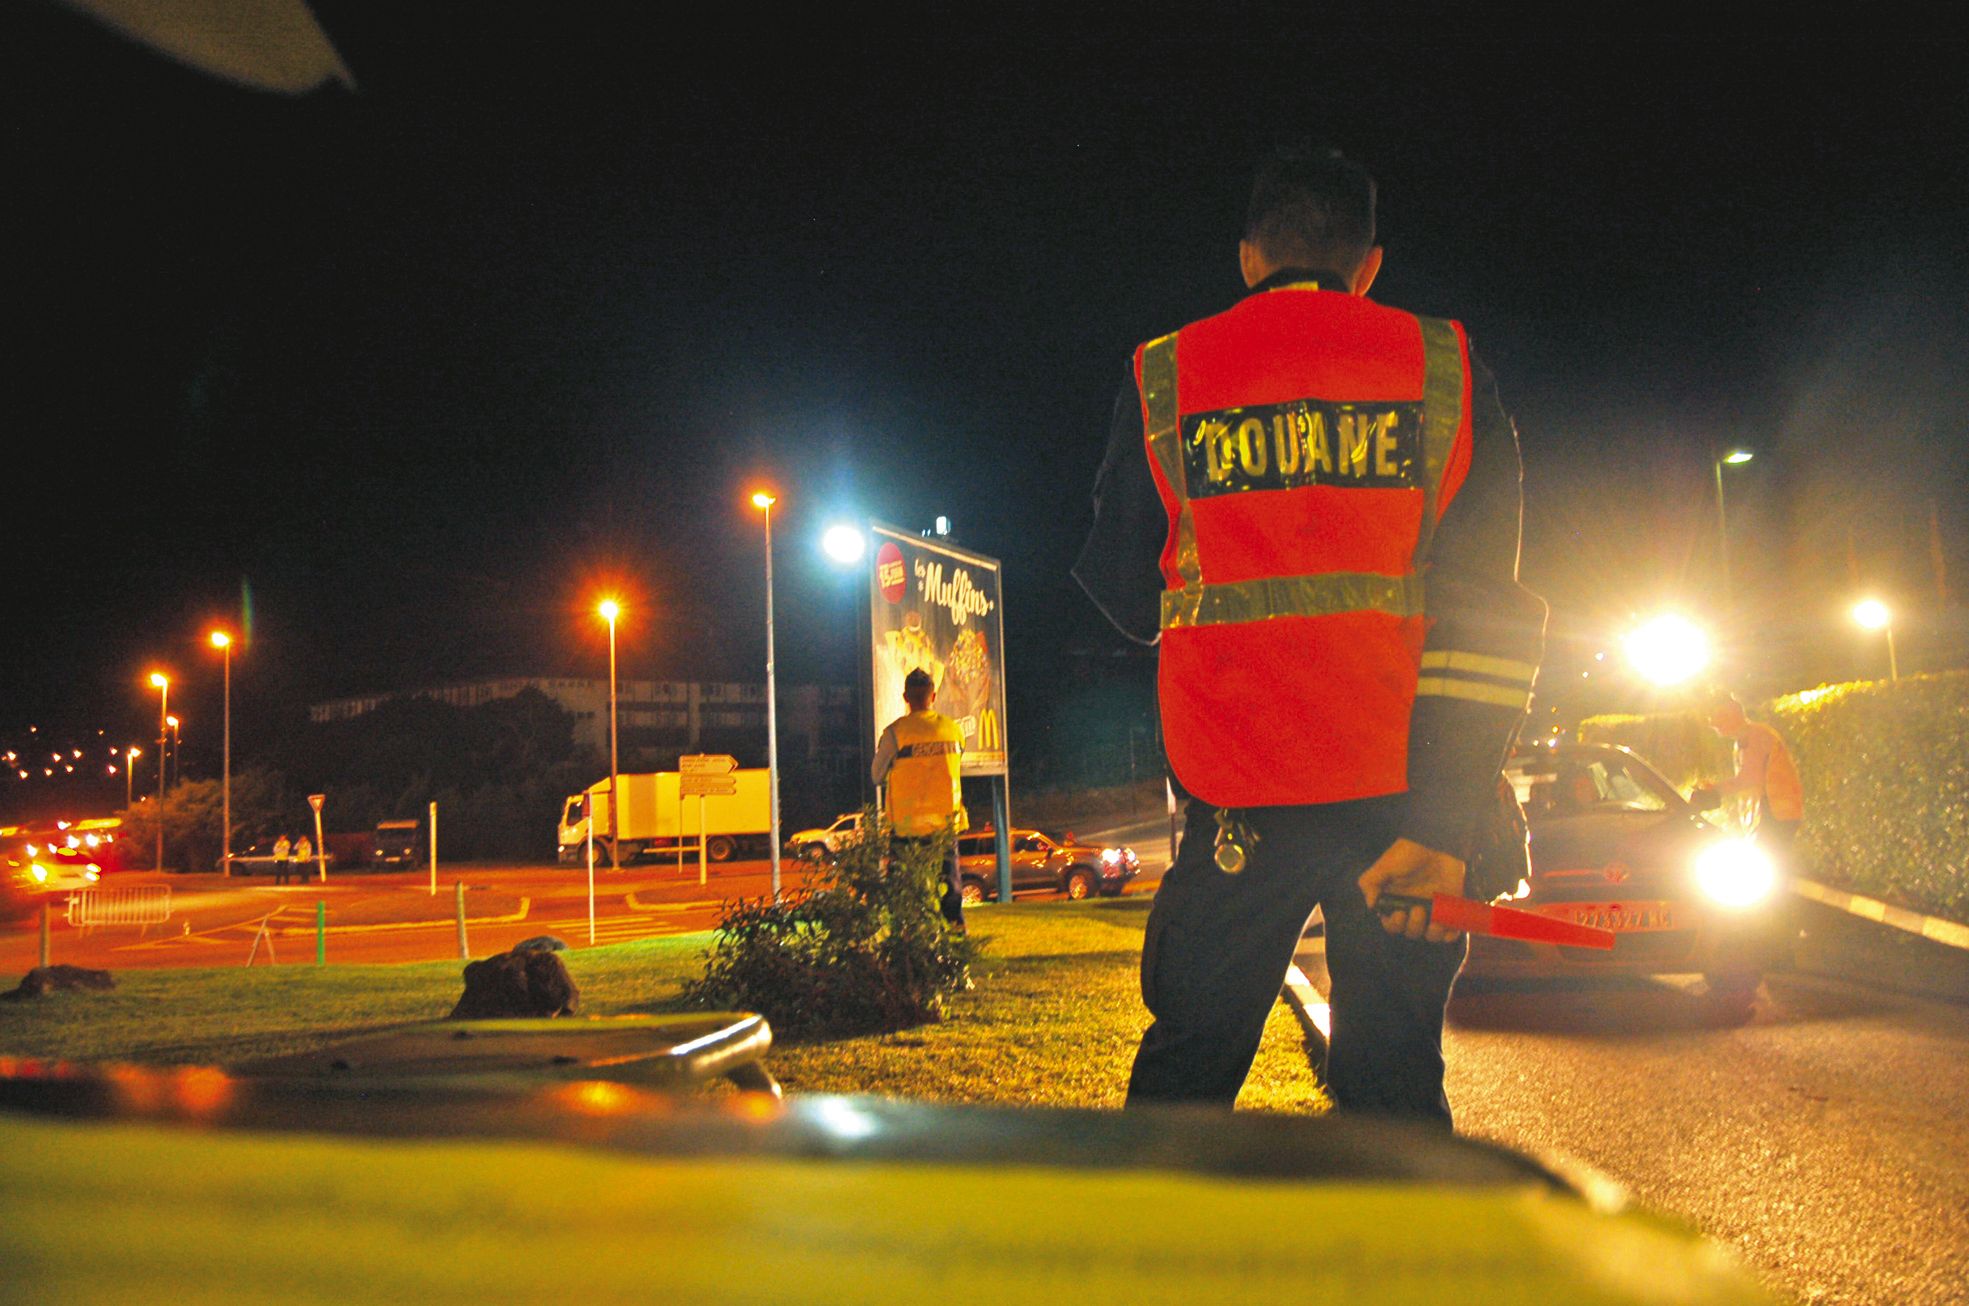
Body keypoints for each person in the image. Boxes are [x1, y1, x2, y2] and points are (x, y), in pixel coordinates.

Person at [1074, 143, 1545, 1125]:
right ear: (1369, 264)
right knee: (1396, 1085)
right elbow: (1486, 613)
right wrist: (1446, 818)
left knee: (1186, 1076)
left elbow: (1122, 586)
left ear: (1247, 255)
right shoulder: (1446, 370)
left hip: (1237, 797)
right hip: (1405, 805)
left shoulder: (1165, 374)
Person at [871, 668, 968, 930]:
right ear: (933, 695)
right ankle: (957, 935)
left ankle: (907, 937)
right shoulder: (953, 730)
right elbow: (957, 766)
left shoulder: (895, 733)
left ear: (905, 697)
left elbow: (876, 775)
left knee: (905, 889)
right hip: (945, 827)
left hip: (906, 829)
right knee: (951, 886)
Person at [1695, 695, 1804, 855]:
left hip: (1776, 814)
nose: (1713, 723)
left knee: (1770, 866)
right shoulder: (1744, 740)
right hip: (1772, 813)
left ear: (1732, 716)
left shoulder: (1757, 736)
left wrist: (1714, 790)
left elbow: (1749, 778)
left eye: (1718, 717)